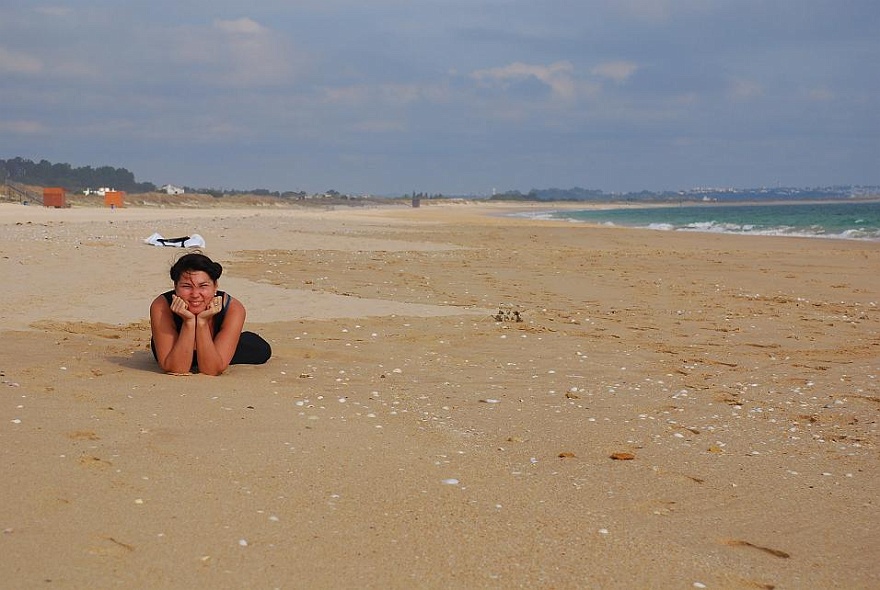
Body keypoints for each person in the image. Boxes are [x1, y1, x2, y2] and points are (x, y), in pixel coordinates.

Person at [150, 252, 271, 375]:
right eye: (187, 286)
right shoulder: (161, 306)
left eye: (203, 286)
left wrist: (202, 323)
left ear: (215, 286)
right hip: (176, 347)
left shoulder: (233, 308)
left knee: (260, 349)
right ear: (175, 287)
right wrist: (189, 322)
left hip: (215, 347)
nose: (195, 294)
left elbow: (211, 370)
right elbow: (176, 369)